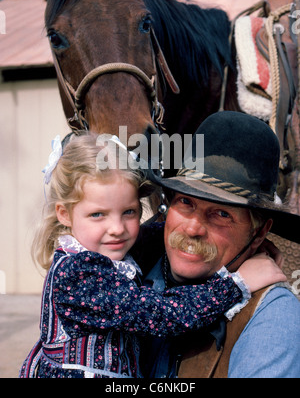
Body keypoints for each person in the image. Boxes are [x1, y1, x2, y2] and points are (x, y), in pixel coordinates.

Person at [19, 131, 283, 379]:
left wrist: (251, 244)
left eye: (129, 212)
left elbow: (172, 233)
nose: (117, 229)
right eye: (97, 214)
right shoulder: (78, 273)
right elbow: (163, 314)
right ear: (64, 214)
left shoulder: (107, 249)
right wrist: (236, 285)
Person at [141, 111, 300, 379]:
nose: (192, 229)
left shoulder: (272, 316)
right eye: (185, 202)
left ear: (259, 233)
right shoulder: (126, 269)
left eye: (222, 214)